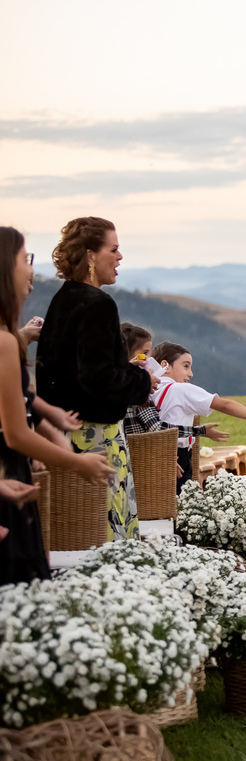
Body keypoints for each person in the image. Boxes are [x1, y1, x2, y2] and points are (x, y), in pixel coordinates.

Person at [0, 227, 112, 583]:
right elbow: (16, 433)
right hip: (9, 473)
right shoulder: (4, 343)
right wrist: (76, 462)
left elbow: (23, 403)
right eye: (24, 259)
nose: (30, 269)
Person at [36, 217, 152, 541]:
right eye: (113, 249)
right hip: (97, 438)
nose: (120, 257)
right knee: (112, 542)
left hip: (64, 434)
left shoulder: (62, 300)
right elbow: (97, 376)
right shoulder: (98, 304)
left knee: (76, 539)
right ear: (90, 255)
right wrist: (143, 383)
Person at [150, 342, 246, 491]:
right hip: (178, 459)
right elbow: (224, 405)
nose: (191, 373)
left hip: (149, 456)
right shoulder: (181, 390)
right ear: (165, 365)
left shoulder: (145, 390)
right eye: (186, 366)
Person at [121, 324, 228, 479]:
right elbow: (156, 429)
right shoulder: (138, 391)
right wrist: (200, 431)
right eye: (144, 354)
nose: (149, 359)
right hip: (141, 463)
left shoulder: (116, 387)